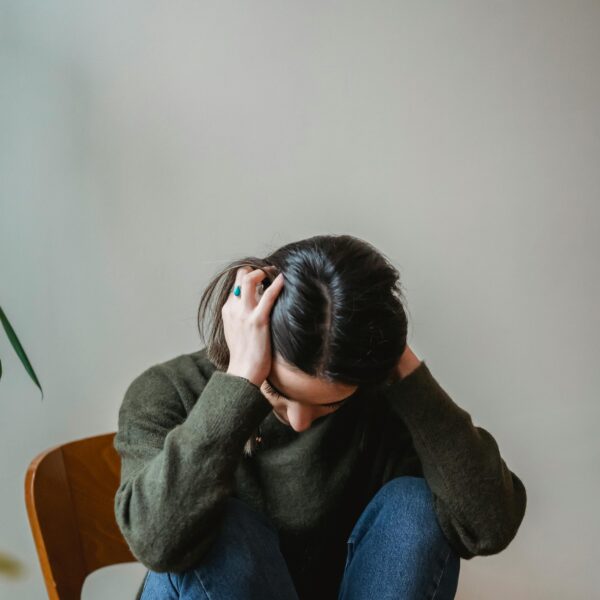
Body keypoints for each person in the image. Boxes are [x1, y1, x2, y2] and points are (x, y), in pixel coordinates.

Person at [113, 234, 527, 600]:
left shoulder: (377, 400)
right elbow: (158, 541)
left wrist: (403, 366)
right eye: (276, 390)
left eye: (328, 404)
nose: (298, 422)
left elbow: (488, 527)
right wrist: (239, 384)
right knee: (211, 526)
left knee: (415, 505)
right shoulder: (168, 392)